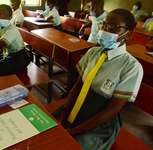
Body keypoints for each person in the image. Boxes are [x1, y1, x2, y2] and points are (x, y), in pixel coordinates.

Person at [52, 9, 143, 150]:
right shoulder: (93, 53)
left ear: (128, 34)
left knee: (68, 145)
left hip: (100, 123)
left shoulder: (131, 67)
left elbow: (112, 110)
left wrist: (72, 132)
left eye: (113, 27)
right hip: (78, 108)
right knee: (45, 128)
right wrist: (64, 114)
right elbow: (78, 87)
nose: (106, 30)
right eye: (104, 25)